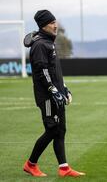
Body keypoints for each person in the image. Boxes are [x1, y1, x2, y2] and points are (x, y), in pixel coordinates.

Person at [22, 10, 85, 177]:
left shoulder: (49, 42)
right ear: (44, 25)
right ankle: (30, 164)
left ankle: (64, 168)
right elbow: (42, 71)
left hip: (57, 94)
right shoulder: (40, 45)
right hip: (47, 97)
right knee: (52, 129)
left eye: (55, 21)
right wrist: (53, 90)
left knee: (61, 129)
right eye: (52, 23)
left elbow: (54, 71)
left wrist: (64, 88)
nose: (55, 25)